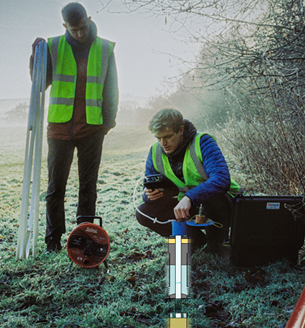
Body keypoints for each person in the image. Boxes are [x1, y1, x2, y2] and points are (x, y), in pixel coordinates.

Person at [30, 2, 118, 252]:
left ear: (89, 19)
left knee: (87, 188)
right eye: (74, 29)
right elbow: (39, 83)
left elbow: (111, 88)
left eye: (83, 27)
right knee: (55, 188)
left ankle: (83, 238)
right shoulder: (53, 46)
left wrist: (107, 123)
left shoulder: (104, 48)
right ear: (64, 26)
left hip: (92, 129)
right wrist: (35, 56)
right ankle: (53, 240)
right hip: (58, 130)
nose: (80, 33)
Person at [136, 108, 242, 254]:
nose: (163, 143)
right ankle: (194, 241)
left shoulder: (203, 142)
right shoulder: (155, 151)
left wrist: (189, 197)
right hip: (188, 206)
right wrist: (148, 194)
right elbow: (147, 186)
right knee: (143, 212)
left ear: (181, 130)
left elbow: (221, 179)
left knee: (212, 197)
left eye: (167, 136)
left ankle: (216, 243)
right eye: (158, 138)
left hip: (226, 204)